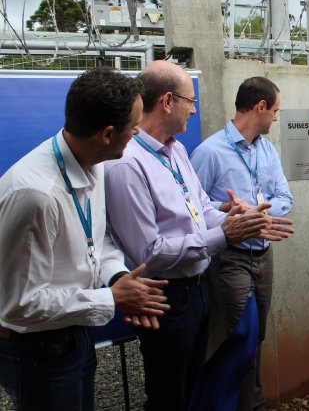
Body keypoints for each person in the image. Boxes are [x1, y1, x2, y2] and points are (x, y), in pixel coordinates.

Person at [104, 61, 294, 411]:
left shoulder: (175, 151)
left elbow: (201, 205)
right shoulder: (127, 164)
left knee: (192, 388)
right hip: (164, 297)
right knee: (169, 395)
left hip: (195, 289)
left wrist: (234, 215)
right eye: (190, 101)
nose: (194, 108)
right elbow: (151, 253)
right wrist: (226, 234)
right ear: (167, 101)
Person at [0, 68, 170, 411]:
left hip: (73, 333)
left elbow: (96, 240)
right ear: (108, 134)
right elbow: (18, 305)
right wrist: (110, 299)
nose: (137, 132)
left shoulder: (94, 162)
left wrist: (117, 277)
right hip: (37, 350)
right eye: (133, 125)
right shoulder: (36, 195)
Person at [190, 76, 293, 411]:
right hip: (230, 257)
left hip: (264, 256)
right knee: (241, 336)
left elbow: (284, 198)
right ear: (260, 107)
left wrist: (256, 214)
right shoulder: (209, 152)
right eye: (274, 110)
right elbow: (191, 209)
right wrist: (236, 218)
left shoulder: (267, 150)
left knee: (256, 336)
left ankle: (250, 400)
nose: (276, 118)